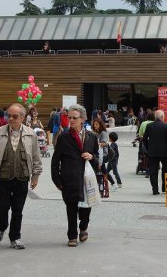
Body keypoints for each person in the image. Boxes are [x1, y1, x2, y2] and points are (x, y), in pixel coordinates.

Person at [0, 103, 42, 249]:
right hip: (3, 177)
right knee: (2, 207)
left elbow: (36, 157)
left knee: (17, 210)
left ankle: (15, 238)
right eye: (8, 115)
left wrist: (35, 176)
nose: (10, 119)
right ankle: (2, 226)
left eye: (14, 116)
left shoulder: (30, 134)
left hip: (22, 177)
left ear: (22, 117)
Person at [51, 104, 99, 247]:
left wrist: (91, 156)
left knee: (85, 209)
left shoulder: (91, 137)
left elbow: (97, 157)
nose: (71, 120)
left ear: (82, 119)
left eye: (74, 118)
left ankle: (83, 227)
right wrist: (57, 179)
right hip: (69, 178)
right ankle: (72, 235)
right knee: (71, 208)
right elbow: (55, 160)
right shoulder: (64, 137)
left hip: (87, 179)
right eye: (69, 117)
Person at [143, 110, 167, 195]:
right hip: (164, 152)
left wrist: (148, 148)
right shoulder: (166, 126)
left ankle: (155, 189)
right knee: (165, 169)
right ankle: (165, 188)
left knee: (153, 171)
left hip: (152, 152)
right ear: (162, 117)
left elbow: (144, 139)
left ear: (155, 117)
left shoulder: (149, 126)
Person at [92, 118, 118, 191]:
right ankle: (111, 184)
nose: (95, 126)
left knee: (102, 169)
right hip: (97, 154)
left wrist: (96, 144)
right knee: (103, 170)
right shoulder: (95, 133)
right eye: (94, 124)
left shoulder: (103, 132)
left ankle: (109, 184)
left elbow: (104, 143)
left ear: (100, 125)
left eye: (97, 124)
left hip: (102, 154)